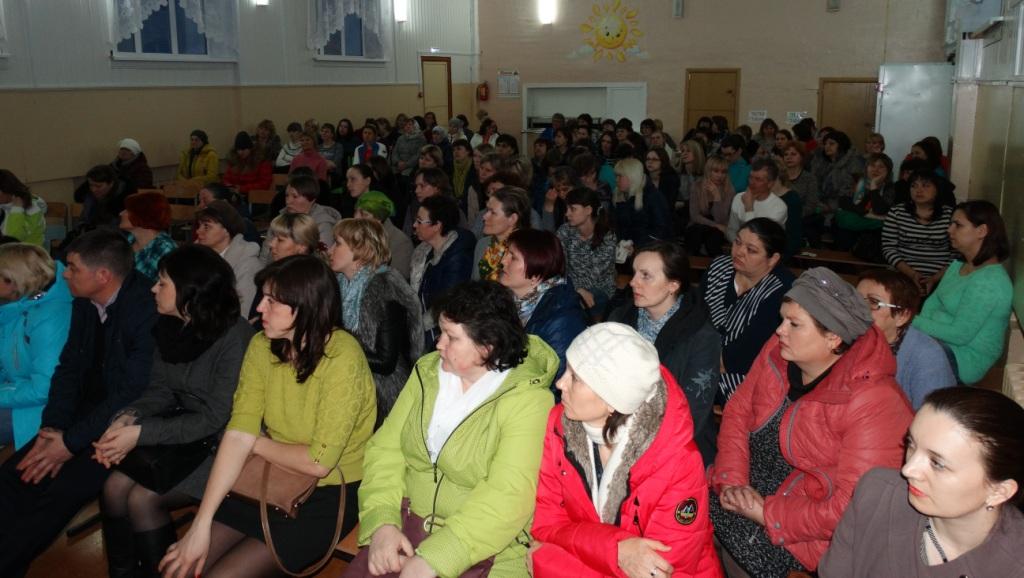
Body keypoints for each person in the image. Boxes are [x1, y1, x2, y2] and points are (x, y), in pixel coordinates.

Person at [158, 255, 375, 577]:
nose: (259, 307)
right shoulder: (262, 346)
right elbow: (238, 433)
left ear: (306, 306)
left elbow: (319, 462)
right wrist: (200, 524)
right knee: (182, 566)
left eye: (272, 301)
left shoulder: (342, 357)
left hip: (330, 490)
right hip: (270, 475)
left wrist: (255, 443)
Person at [347, 281, 558, 578]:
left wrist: (437, 558)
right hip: (406, 525)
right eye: (441, 332)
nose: (439, 344)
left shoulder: (529, 400)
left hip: (486, 547)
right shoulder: (427, 372)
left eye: (451, 337)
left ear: (487, 347)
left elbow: (509, 495)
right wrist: (382, 522)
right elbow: (385, 450)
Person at [710, 267, 912, 576]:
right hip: (743, 490)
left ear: (833, 337)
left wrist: (766, 512)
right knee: (675, 526)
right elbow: (738, 412)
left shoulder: (875, 402)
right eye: (782, 319)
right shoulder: (778, 350)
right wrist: (733, 480)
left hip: (799, 533)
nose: (780, 331)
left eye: (794, 324)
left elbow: (851, 506)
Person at [0, 230, 157, 577]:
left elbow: (130, 393)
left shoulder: (145, 309)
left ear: (102, 275)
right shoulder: (85, 302)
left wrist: (69, 444)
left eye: (72, 268)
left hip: (128, 424)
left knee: (57, 494)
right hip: (85, 416)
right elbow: (68, 368)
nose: (64, 274)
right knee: (16, 475)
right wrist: (52, 429)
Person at [94, 245, 254, 577]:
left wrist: (141, 434)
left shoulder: (235, 338)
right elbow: (160, 391)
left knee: (142, 499)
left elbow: (216, 417)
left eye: (163, 282)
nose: (153, 288)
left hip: (226, 445)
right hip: (187, 433)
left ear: (190, 291)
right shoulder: (170, 325)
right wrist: (129, 417)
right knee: (112, 488)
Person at [530, 323, 722, 578]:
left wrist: (550, 564)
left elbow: (661, 571)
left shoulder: (678, 463)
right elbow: (547, 524)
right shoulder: (559, 424)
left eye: (575, 378)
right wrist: (616, 550)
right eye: (567, 369)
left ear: (613, 399)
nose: (560, 383)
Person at [821, 387, 1024, 576]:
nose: (908, 470)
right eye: (911, 444)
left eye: (937, 463)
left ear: (999, 491)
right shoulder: (877, 493)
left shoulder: (1014, 566)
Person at [608, 242, 721, 464]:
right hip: (617, 433)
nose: (633, 282)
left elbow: (691, 413)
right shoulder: (619, 319)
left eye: (646, 276)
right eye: (634, 273)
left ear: (673, 285)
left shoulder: (701, 336)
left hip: (676, 448)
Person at [331, 219, 423, 425]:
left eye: (337, 243)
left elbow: (385, 362)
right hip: (348, 383)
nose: (330, 250)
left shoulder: (384, 290)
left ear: (360, 250)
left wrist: (330, 345)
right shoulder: (338, 285)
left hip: (381, 394)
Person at [913, 200, 1012, 384]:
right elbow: (931, 304)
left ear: (981, 231)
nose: (949, 230)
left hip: (964, 359)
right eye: (951, 224)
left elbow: (959, 334)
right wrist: (919, 330)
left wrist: (911, 320)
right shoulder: (957, 265)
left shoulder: (990, 280)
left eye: (957, 225)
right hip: (937, 342)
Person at [701, 218, 795, 402]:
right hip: (702, 358)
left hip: (745, 375)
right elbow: (694, 317)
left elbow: (742, 357)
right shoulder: (719, 267)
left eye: (751, 250)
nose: (739, 252)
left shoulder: (781, 290)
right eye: (737, 242)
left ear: (773, 259)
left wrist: (693, 358)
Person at [0, 244, 72, 449]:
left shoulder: (52, 316)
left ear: (14, 279)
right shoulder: (18, 305)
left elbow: (44, 388)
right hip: (18, 395)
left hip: (38, 410)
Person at [856, 269, 956, 409]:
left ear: (902, 316)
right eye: (855, 300)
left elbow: (933, 417)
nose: (858, 309)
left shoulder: (928, 357)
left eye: (873, 302)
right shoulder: (849, 337)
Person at [499, 229, 587, 383]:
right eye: (507, 253)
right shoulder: (509, 300)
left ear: (536, 273)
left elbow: (556, 380)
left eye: (513, 257)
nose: (503, 261)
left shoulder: (561, 318)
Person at [409, 195, 475, 349]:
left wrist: (416, 326)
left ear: (437, 225)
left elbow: (447, 303)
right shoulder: (422, 251)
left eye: (419, 221)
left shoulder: (458, 258)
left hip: (440, 332)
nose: (414, 225)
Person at [881, 170, 955, 295]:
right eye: (914, 186)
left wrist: (935, 278)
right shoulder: (897, 212)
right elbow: (889, 248)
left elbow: (956, 254)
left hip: (942, 278)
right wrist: (912, 274)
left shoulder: (950, 215)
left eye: (925, 185)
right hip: (902, 275)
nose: (918, 190)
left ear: (937, 189)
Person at [194, 200, 262, 315]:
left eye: (206, 226)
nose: (198, 231)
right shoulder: (200, 256)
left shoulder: (248, 265)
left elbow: (242, 314)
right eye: (199, 225)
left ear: (226, 230)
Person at [557, 187, 616, 316]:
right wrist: (576, 288)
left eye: (573, 209)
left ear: (588, 210)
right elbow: (558, 265)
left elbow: (593, 277)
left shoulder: (607, 236)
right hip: (570, 286)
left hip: (599, 289)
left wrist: (576, 289)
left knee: (573, 306)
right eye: (567, 209)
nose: (567, 214)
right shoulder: (564, 231)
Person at [473, 186, 532, 281]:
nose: (484, 216)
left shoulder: (526, 252)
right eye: (487, 210)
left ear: (512, 219)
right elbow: (473, 284)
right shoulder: (482, 244)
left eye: (493, 213)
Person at [612, 157, 670, 250]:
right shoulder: (618, 196)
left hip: (650, 250)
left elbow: (661, 231)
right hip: (625, 249)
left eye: (620, 176)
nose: (616, 180)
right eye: (616, 176)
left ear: (632, 177)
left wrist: (637, 247)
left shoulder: (654, 197)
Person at [355, 190, 413, 280]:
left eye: (364, 215)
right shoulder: (356, 235)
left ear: (379, 218)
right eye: (356, 212)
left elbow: (398, 280)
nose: (356, 218)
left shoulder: (400, 242)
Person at [725, 158, 788, 242]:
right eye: (750, 177)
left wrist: (749, 209)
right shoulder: (738, 198)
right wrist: (739, 245)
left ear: (770, 183)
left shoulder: (779, 207)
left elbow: (758, 239)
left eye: (758, 179)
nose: (751, 182)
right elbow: (731, 230)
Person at [118, 191, 175, 281]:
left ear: (142, 215)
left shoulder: (164, 248)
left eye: (127, 211)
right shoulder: (127, 240)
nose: (121, 213)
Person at [686, 155, 735, 256]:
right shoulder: (697, 186)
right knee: (695, 233)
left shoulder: (729, 190)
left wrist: (717, 197)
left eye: (723, 172)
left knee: (713, 239)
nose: (720, 175)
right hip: (699, 224)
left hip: (719, 228)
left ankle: (716, 264)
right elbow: (694, 216)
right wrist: (715, 225)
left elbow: (721, 219)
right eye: (716, 171)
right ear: (708, 171)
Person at [280, 173, 342, 248]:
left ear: (311, 199)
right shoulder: (281, 217)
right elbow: (268, 249)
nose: (288, 201)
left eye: (295, 196)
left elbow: (323, 253)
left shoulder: (323, 224)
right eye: (287, 195)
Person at [811, 130, 865, 215]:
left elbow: (851, 192)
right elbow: (817, 184)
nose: (827, 146)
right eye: (825, 144)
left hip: (844, 207)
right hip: (824, 204)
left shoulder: (853, 163)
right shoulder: (824, 162)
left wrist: (829, 206)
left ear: (841, 145)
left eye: (831, 144)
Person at [0, 169, 47, 246]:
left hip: (27, 251)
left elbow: (14, 238)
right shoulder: (4, 204)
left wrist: (17, 210)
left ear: (7, 189)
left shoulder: (33, 208)